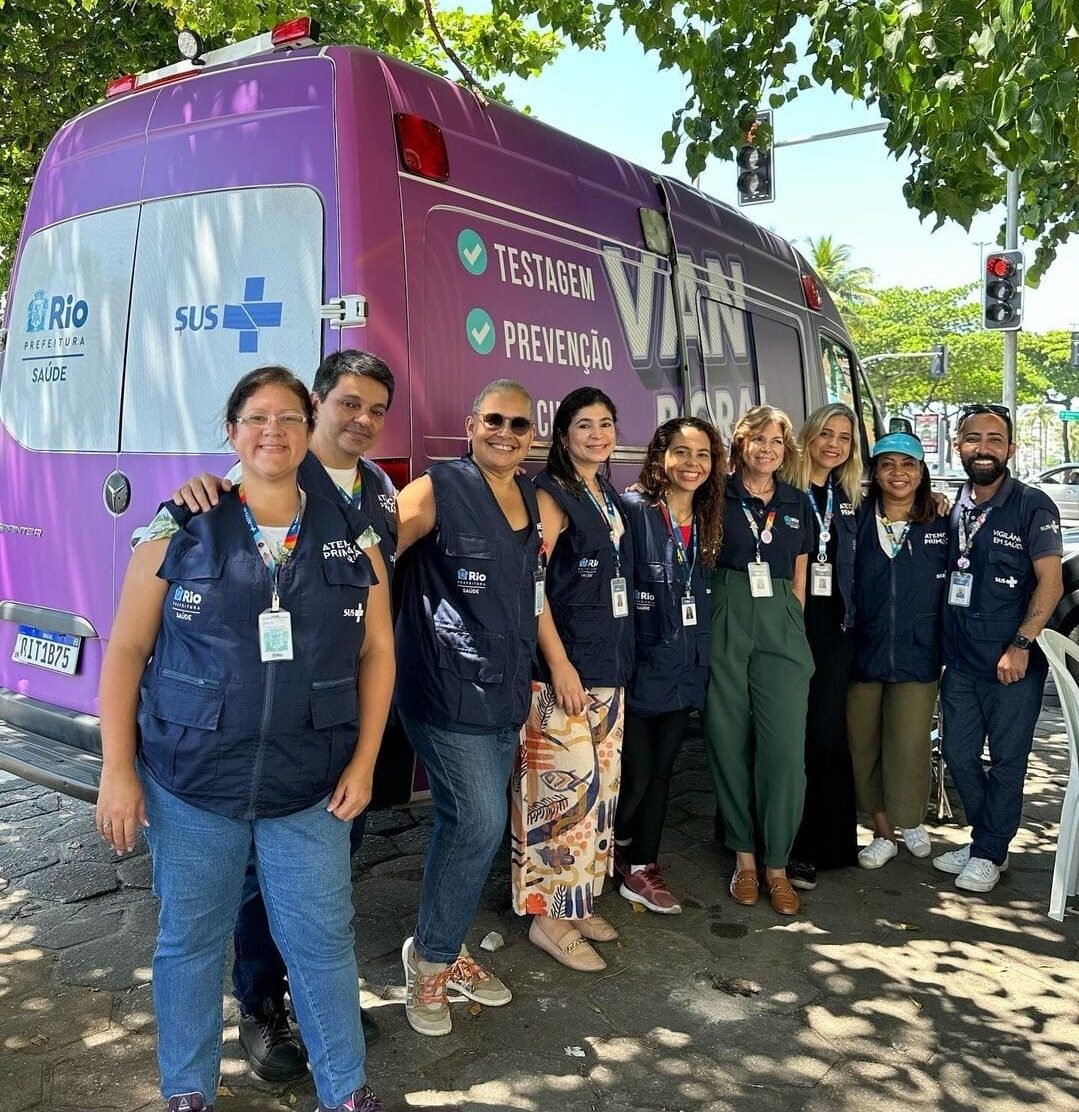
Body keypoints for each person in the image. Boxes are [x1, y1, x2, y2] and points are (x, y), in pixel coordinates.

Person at [96, 366, 394, 1112]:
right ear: (231, 432)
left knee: (322, 945)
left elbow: (379, 651)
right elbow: (127, 650)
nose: (274, 430)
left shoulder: (352, 534)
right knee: (189, 946)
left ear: (310, 426)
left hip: (309, 787)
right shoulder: (181, 523)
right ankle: (188, 1090)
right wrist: (117, 770)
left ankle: (345, 1091)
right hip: (192, 781)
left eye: (290, 417)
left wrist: (365, 762)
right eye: (256, 417)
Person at [172, 350, 397, 1077]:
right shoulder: (219, 500)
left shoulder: (379, 496)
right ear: (319, 408)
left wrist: (365, 757)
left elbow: (378, 635)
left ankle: (317, 1003)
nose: (360, 420)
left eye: (375, 409)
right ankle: (262, 1005)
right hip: (233, 746)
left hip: (322, 741)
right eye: (346, 404)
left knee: (323, 904)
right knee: (246, 891)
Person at [394, 379, 542, 1035]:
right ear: (470, 423)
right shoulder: (436, 489)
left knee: (465, 824)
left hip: (504, 692)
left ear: (532, 434)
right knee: (479, 821)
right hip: (440, 689)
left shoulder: (533, 498)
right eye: (494, 420)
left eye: (519, 423)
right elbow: (370, 559)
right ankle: (427, 966)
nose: (505, 432)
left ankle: (446, 948)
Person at [512, 387, 635, 971]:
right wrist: (558, 663)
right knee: (563, 798)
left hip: (609, 667)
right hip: (563, 674)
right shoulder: (551, 495)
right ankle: (548, 919)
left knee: (600, 797)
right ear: (562, 435)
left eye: (605, 424)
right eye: (582, 425)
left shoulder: (606, 494)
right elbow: (532, 585)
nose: (596, 434)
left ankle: (578, 899)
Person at [934, 403, 1063, 893]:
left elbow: (1049, 584)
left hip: (1011, 660)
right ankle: (990, 838)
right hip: (962, 660)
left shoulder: (1034, 506)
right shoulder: (952, 507)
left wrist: (1022, 644)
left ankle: (989, 850)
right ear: (958, 447)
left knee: (1008, 759)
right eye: (972, 438)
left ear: (1010, 448)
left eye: (993, 439)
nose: (982, 448)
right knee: (958, 754)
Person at [703, 404, 815, 916]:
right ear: (741, 442)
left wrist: (793, 622)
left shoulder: (797, 502)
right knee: (726, 737)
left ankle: (778, 863)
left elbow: (800, 572)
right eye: (758, 439)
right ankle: (745, 861)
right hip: (726, 609)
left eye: (777, 441)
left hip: (780, 621)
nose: (767, 449)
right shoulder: (715, 494)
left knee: (785, 749)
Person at [615, 417, 725, 914]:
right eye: (681, 452)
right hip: (640, 664)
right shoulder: (633, 510)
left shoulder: (710, 514)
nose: (692, 464)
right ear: (660, 456)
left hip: (686, 667)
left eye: (702, 454)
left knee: (662, 771)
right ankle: (612, 848)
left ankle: (642, 867)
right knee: (635, 774)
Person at [846, 433, 949, 869]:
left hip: (918, 652)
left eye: (907, 465)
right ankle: (883, 831)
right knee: (862, 744)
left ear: (921, 472)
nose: (898, 474)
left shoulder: (942, 520)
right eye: (887, 465)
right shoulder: (855, 516)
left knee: (909, 743)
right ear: (874, 472)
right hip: (862, 652)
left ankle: (912, 820)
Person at [782, 403, 863, 890]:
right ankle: (786, 845)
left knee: (827, 732)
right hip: (792, 622)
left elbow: (904, 507)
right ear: (808, 437)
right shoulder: (784, 491)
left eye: (844, 438)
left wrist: (934, 502)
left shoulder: (850, 494)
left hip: (837, 627)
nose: (833, 444)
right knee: (790, 733)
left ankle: (827, 843)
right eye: (825, 434)